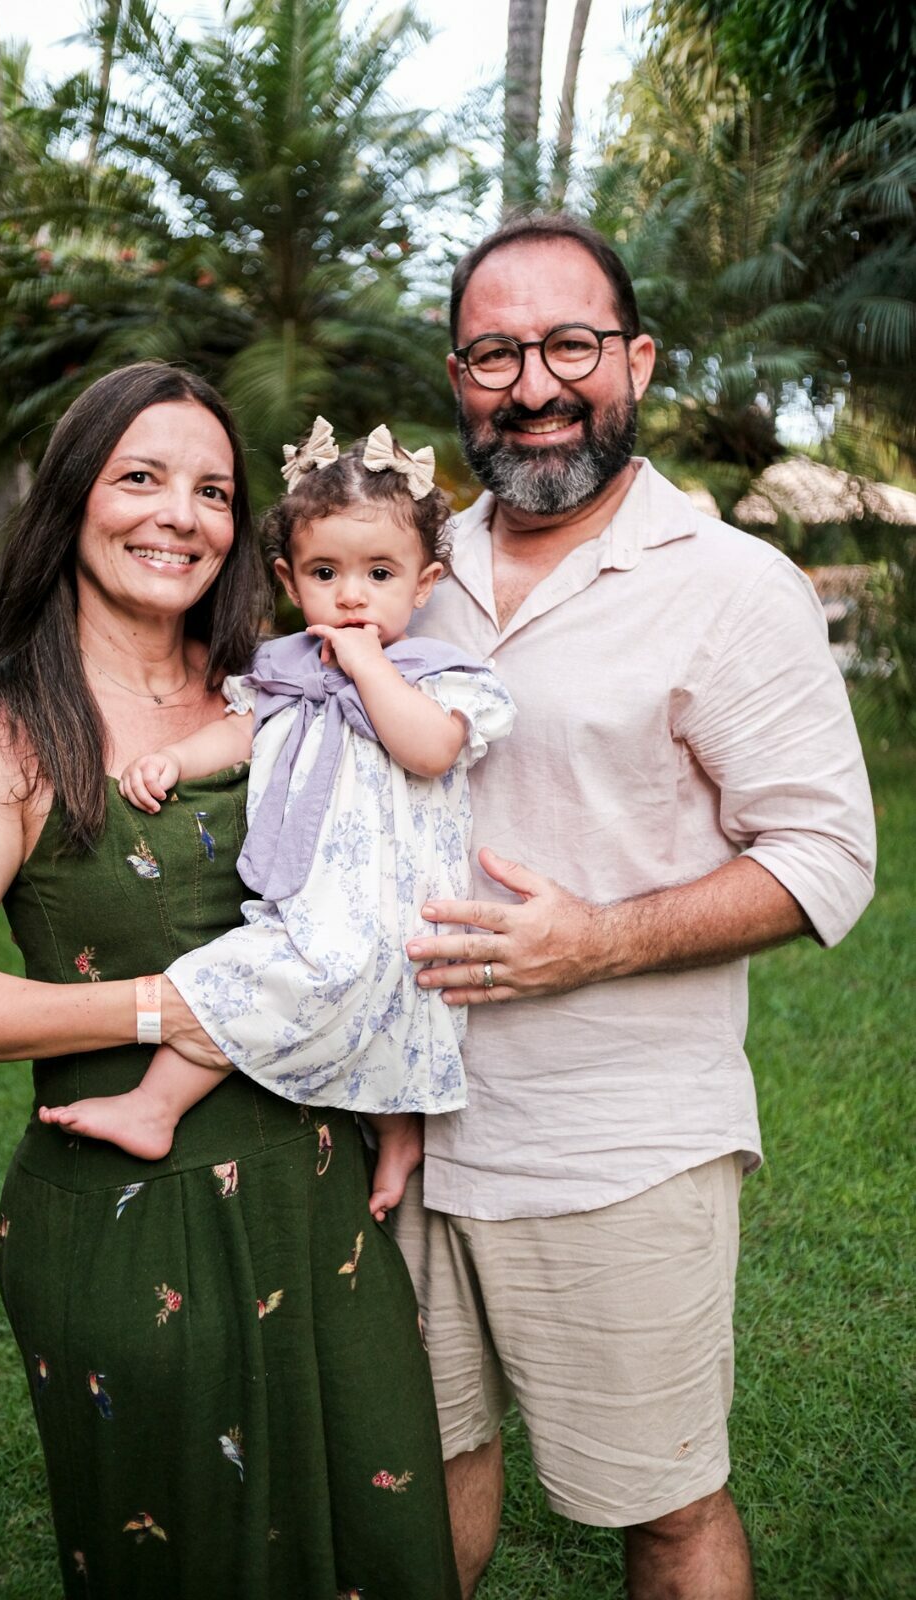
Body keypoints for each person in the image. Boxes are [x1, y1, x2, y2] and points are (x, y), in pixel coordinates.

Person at [0, 363, 461, 1599]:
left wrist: (396, 1087)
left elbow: (384, 878)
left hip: (323, 1193)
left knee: (384, 1544)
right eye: (139, 476)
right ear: (74, 497)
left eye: (211, 490)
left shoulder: (282, 683)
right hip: (135, 1218)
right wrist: (163, 1009)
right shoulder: (0, 728)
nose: (177, 516)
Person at [390, 216, 877, 1600]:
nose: (533, 385)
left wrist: (595, 941)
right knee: (412, 1474)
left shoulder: (727, 588)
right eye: (495, 354)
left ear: (637, 360)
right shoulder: (405, 574)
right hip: (395, 1134)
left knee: (660, 1504)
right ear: (457, 377)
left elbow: (825, 854)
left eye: (569, 345)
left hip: (612, 1144)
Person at [39, 419, 515, 1223]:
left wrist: (366, 668)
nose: (351, 595)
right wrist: (175, 759)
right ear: (290, 580)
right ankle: (391, 1135)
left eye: (379, 573)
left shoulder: (438, 677)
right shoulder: (281, 671)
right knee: (307, 987)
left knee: (261, 983)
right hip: (311, 895)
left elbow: (430, 750)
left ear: (423, 583)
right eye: (326, 573)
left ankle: (157, 1107)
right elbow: (239, 732)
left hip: (394, 904)